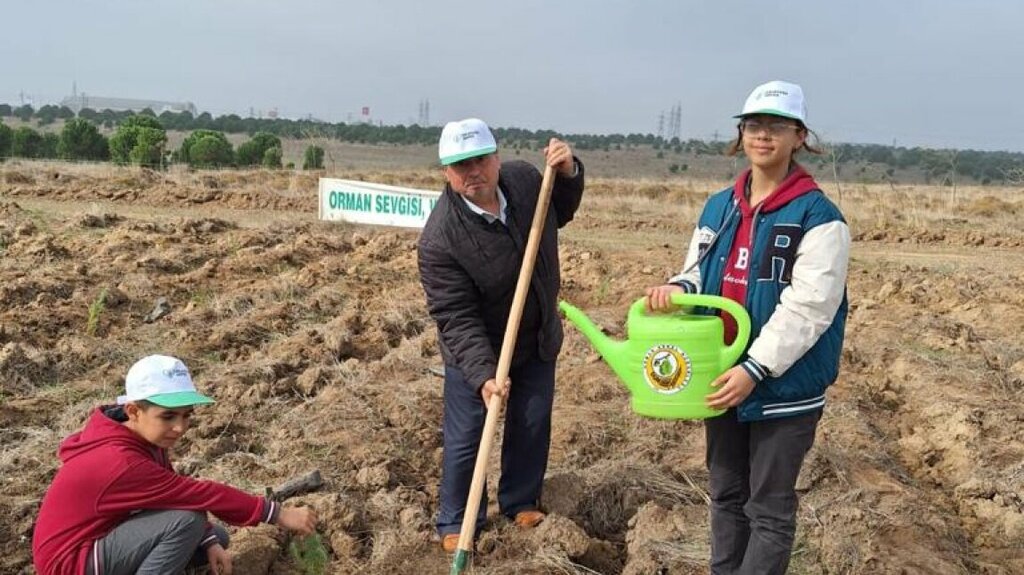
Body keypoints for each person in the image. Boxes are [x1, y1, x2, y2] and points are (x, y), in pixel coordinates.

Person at [646, 80, 850, 574]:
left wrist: (755, 368)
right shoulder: (720, 206)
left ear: (799, 136)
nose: (764, 136)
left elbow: (810, 307)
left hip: (782, 386)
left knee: (769, 508)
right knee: (726, 495)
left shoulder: (820, 218)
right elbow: (700, 270)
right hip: (720, 374)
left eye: (777, 127)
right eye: (754, 125)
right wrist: (678, 288)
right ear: (741, 134)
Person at [417, 118, 584, 553]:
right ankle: (457, 519)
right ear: (446, 173)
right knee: (469, 433)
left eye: (480, 159)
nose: (473, 171)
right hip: (479, 344)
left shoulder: (528, 181)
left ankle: (520, 500)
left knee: (531, 420)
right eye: (460, 165)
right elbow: (455, 316)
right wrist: (483, 375)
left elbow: (561, 208)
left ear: (496, 157)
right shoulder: (441, 239)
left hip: (537, 333)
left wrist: (568, 173)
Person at [32, 354, 318, 575]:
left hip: (98, 542)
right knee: (186, 521)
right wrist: (276, 513)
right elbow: (200, 494)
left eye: (186, 415)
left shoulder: (138, 437)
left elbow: (173, 495)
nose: (180, 427)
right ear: (133, 411)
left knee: (213, 536)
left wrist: (208, 541)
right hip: (70, 563)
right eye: (168, 416)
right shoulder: (121, 461)